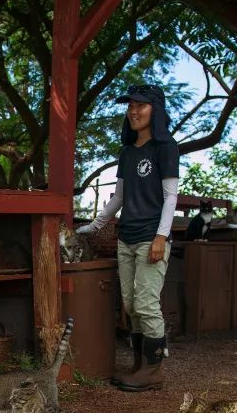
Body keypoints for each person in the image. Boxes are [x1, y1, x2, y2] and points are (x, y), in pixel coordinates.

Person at [76, 84, 180, 391]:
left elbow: (171, 197)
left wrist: (161, 237)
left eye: (141, 106)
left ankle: (153, 371)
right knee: (132, 306)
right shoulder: (127, 152)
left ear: (156, 111)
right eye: (130, 106)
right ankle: (138, 366)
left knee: (147, 305)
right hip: (127, 238)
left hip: (151, 238)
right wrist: (94, 226)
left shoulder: (166, 147)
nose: (133, 111)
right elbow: (118, 197)